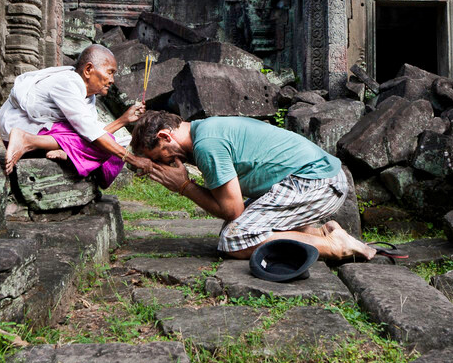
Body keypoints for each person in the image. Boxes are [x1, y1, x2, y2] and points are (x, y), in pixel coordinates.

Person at [130, 110, 377, 261]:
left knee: (234, 240)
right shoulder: (204, 130)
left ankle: (334, 246)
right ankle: (322, 233)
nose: (164, 163)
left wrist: (184, 186)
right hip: (316, 179)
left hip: (317, 182)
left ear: (164, 136)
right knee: (237, 229)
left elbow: (232, 209)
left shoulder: (207, 144)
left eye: (157, 157)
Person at [0, 44, 151, 185]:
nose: (112, 80)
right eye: (110, 72)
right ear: (88, 70)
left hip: (47, 135)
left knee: (111, 149)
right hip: (22, 130)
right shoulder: (68, 83)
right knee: (107, 146)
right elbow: (92, 134)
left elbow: (92, 132)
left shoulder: (88, 95)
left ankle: (69, 153)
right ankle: (27, 140)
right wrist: (132, 159)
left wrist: (124, 119)